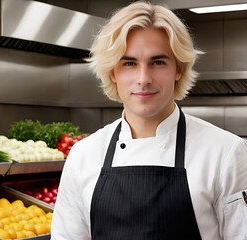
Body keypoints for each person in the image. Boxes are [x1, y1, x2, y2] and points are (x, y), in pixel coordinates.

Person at [51, 1, 247, 239]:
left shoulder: (224, 153)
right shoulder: (84, 155)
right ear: (113, 72)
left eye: (158, 62)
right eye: (130, 63)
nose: (143, 79)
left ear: (178, 69)